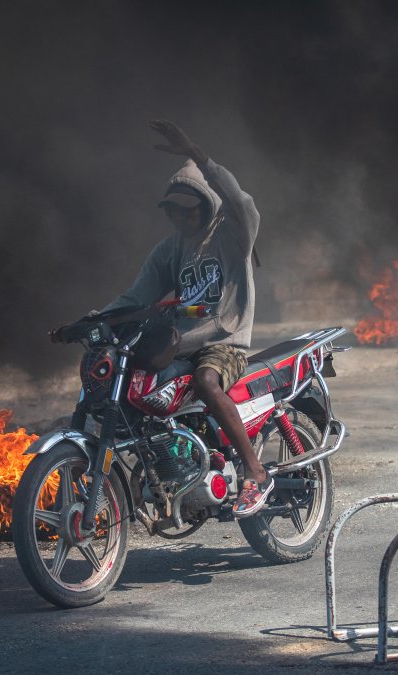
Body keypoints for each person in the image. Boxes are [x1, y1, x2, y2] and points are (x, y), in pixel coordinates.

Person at [97, 120, 271, 517]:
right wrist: (94, 319)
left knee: (207, 381)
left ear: (208, 204)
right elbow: (135, 296)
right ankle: (170, 469)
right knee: (140, 389)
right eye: (174, 211)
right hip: (180, 344)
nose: (181, 218)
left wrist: (199, 155)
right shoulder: (169, 250)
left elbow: (240, 201)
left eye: (189, 210)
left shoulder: (232, 235)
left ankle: (255, 471)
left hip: (222, 344)